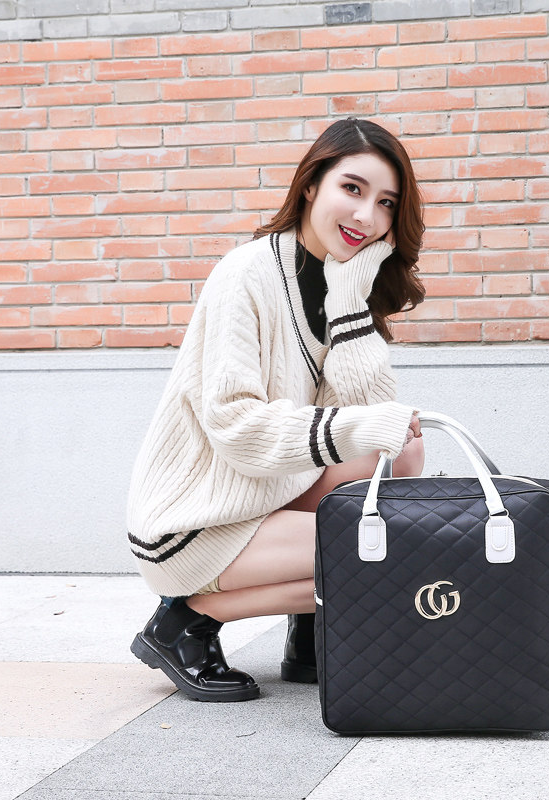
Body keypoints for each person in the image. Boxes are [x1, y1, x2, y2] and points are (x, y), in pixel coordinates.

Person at [126, 117, 426, 702]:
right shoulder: (246, 274)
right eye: (352, 188)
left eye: (386, 203)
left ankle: (311, 629)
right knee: (380, 548)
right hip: (195, 519)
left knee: (404, 451)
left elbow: (367, 413)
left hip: (264, 492)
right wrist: (360, 425)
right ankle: (184, 621)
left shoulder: (341, 282)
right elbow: (236, 425)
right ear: (311, 185)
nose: (366, 215)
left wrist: (350, 302)